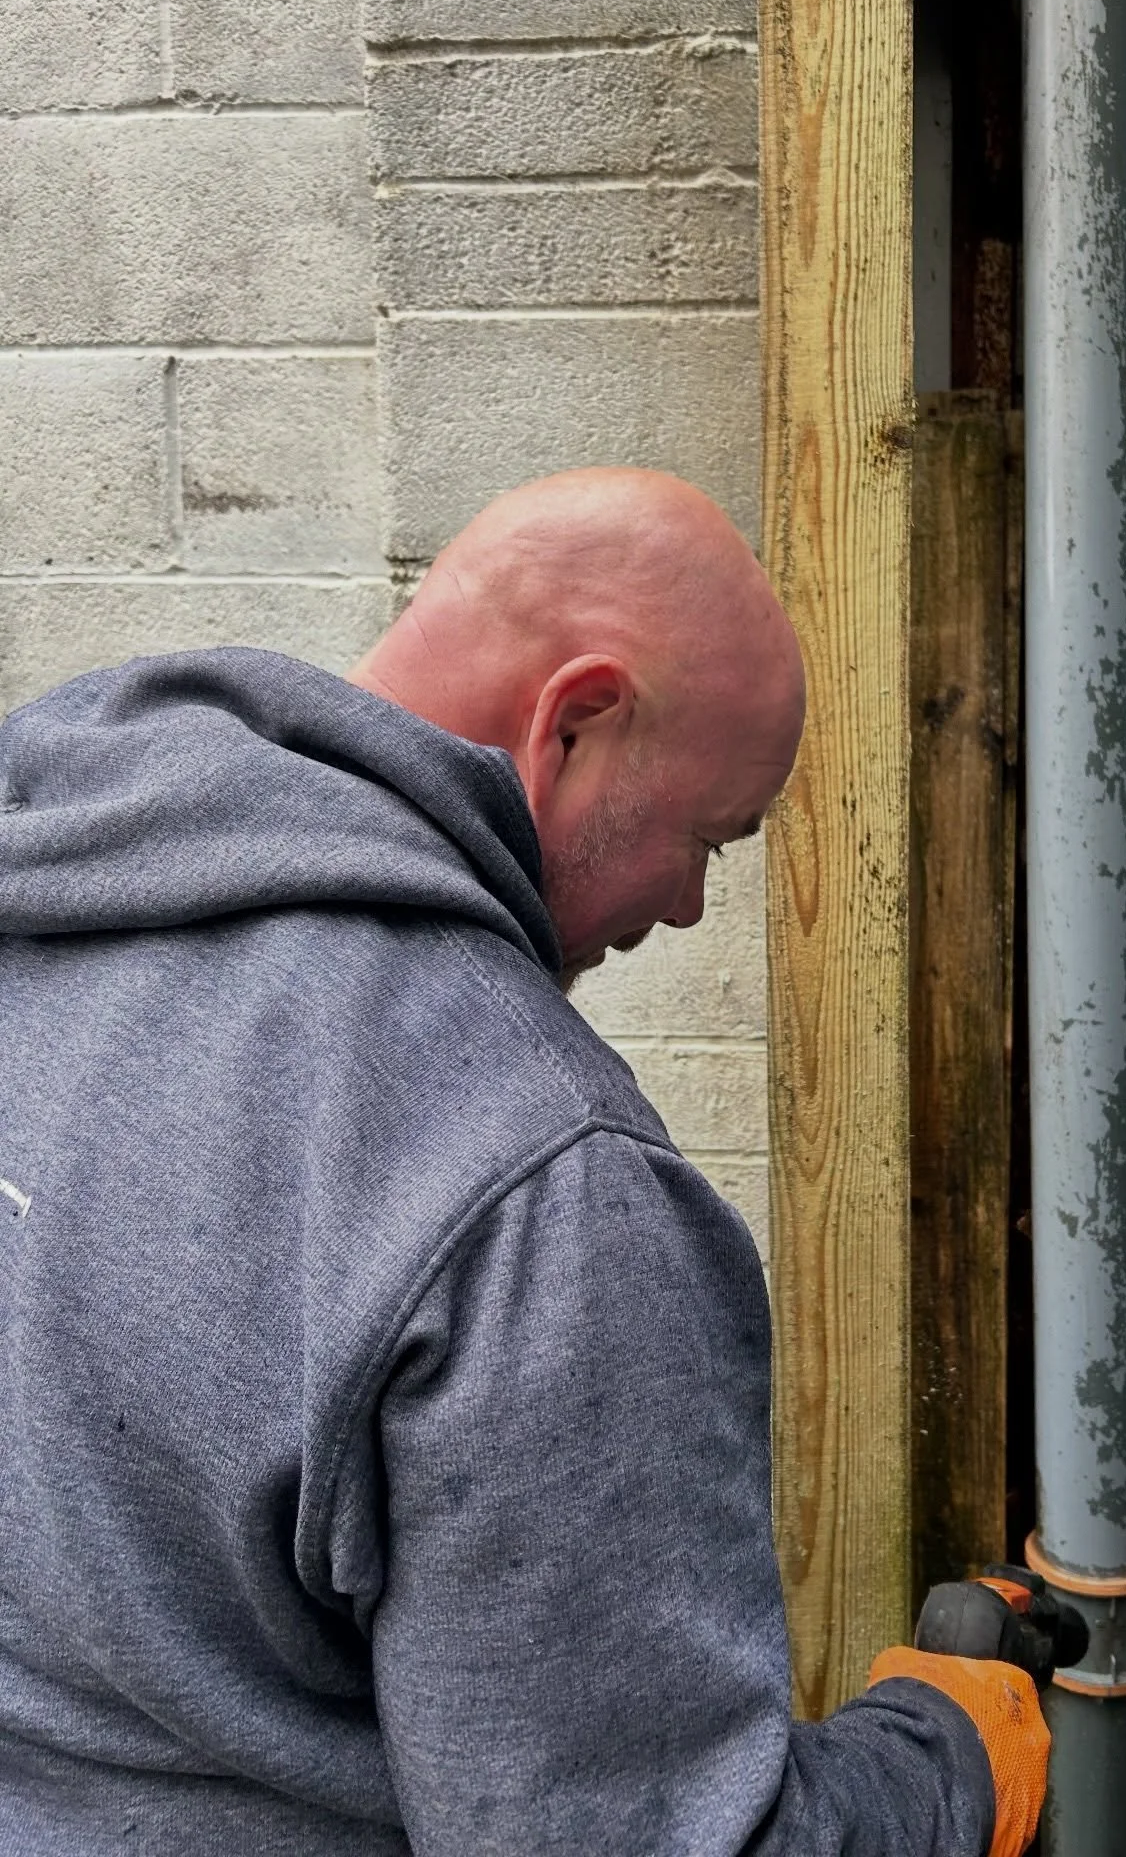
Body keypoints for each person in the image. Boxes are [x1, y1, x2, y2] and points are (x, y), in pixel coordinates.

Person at [0, 467, 1048, 1854]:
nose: (685, 905)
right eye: (710, 837)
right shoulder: (532, 1185)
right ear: (579, 723)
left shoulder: (49, 916)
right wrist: (948, 1754)